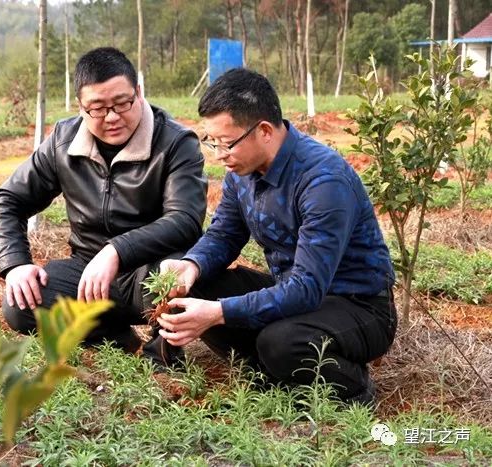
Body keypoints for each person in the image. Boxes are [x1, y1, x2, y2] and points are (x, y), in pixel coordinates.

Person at [157, 68, 397, 405]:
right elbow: (224, 234)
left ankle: (352, 386)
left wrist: (218, 313)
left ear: (265, 131)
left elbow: (307, 288)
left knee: (280, 342)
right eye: (212, 143)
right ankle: (274, 371)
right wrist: (191, 266)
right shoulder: (241, 172)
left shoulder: (322, 180)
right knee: (197, 288)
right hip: (294, 292)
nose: (219, 156)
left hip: (357, 304)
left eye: (226, 144)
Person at [0, 47, 207, 361]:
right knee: (20, 306)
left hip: (150, 270)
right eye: (98, 108)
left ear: (139, 92)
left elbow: (185, 219)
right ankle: (116, 336)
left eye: (122, 103)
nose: (113, 117)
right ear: (80, 107)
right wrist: (16, 264)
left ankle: (162, 359)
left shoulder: (175, 143)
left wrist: (117, 250)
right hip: (88, 272)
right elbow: (9, 200)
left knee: (172, 276)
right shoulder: (63, 142)